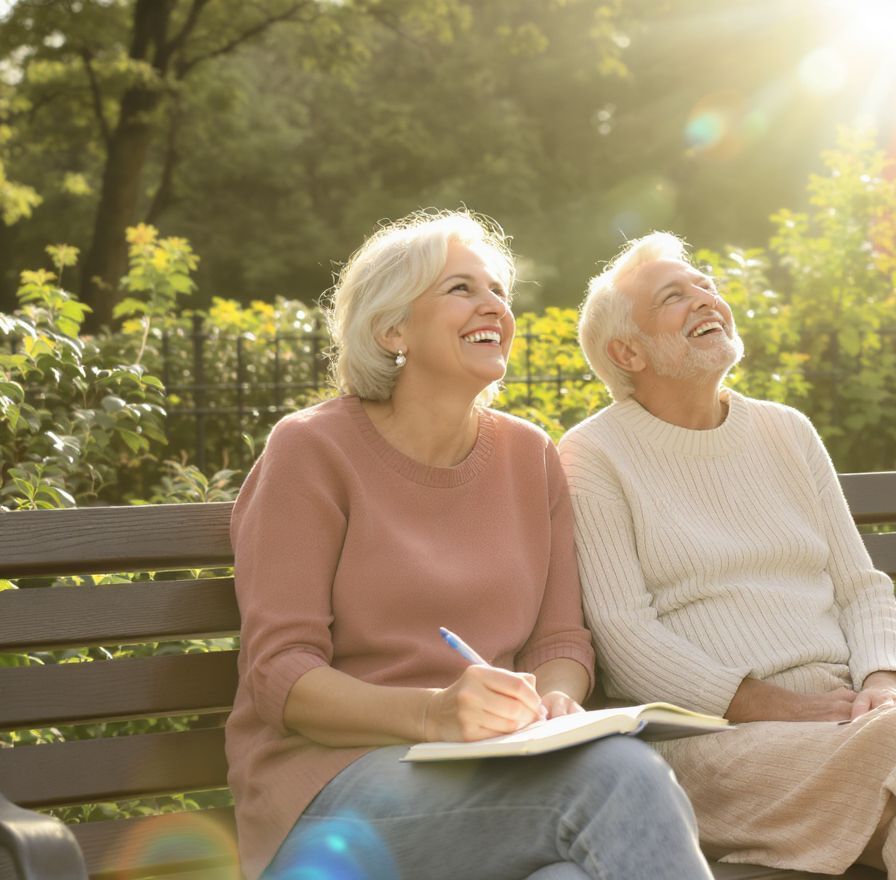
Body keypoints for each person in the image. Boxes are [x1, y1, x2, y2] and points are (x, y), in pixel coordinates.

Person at [557, 231, 896, 879]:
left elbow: (860, 586)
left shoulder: (786, 430)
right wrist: (773, 704)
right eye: (675, 296)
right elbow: (624, 636)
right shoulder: (594, 455)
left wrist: (884, 684)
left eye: (706, 284)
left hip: (853, 726)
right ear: (626, 350)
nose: (705, 298)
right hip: (714, 745)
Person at [225, 212, 714, 880]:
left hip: (491, 780)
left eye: (498, 291)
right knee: (619, 778)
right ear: (392, 328)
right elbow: (281, 675)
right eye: (461, 288)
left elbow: (559, 643)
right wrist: (433, 713)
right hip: (329, 793)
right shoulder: (309, 450)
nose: (494, 306)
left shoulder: (530, 455)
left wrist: (554, 703)